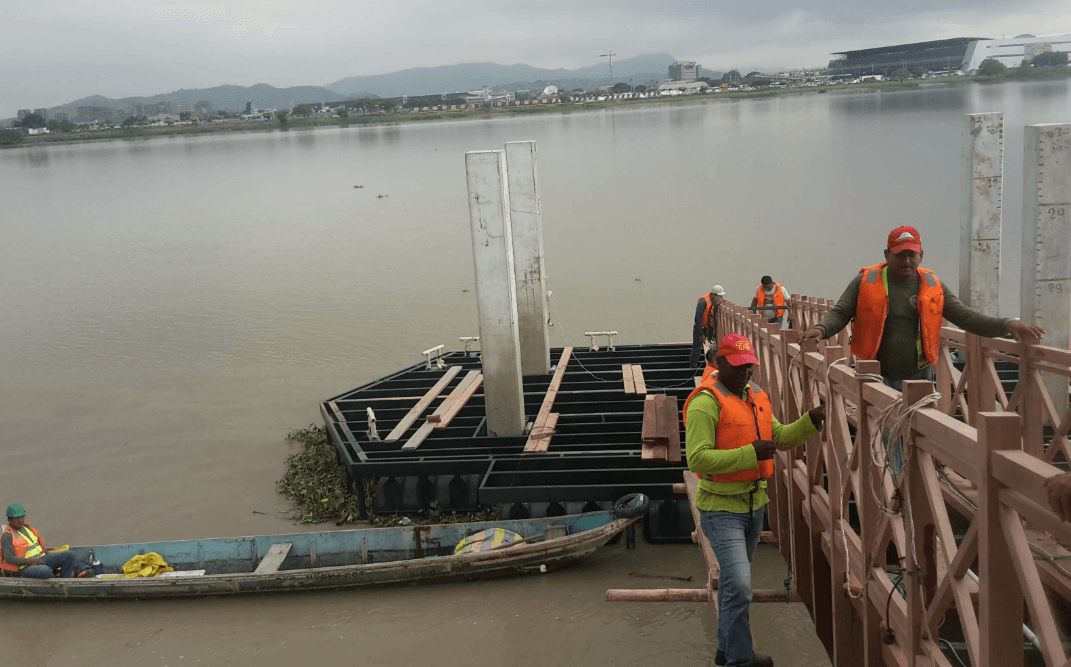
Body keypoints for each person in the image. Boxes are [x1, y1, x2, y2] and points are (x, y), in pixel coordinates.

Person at [684, 334, 826, 667]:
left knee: (736, 584)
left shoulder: (757, 396)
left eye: (750, 365)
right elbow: (698, 460)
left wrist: (810, 421)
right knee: (741, 585)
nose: (746, 371)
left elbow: (781, 438)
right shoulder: (706, 403)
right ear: (719, 364)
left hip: (753, 506)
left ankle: (726, 651)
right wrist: (750, 454)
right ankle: (740, 660)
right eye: (738, 366)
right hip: (720, 509)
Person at [801, 226, 1045, 391]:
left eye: (912, 255)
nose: (907, 260)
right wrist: (821, 330)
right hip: (875, 373)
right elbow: (841, 311)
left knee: (915, 437)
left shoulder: (932, 285)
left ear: (921, 256)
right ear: (887, 254)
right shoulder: (866, 282)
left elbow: (966, 317)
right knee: (882, 437)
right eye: (900, 255)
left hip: (919, 375)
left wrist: (1007, 324)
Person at [1, 503, 80, 578]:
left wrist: (47, 553)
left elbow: (35, 544)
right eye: (17, 518)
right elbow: (9, 558)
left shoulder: (26, 528)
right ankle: (55, 584)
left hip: (41, 558)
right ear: (9, 520)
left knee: (70, 555)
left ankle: (65, 583)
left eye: (22, 517)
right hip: (24, 567)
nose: (20, 520)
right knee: (45, 571)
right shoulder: (7, 536)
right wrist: (30, 561)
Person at [692, 284, 727, 368]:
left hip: (710, 329)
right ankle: (693, 367)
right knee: (696, 350)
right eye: (719, 296)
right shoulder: (703, 301)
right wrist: (701, 334)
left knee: (714, 348)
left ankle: (714, 365)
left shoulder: (716, 303)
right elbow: (698, 318)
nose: (721, 298)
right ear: (713, 295)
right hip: (700, 328)